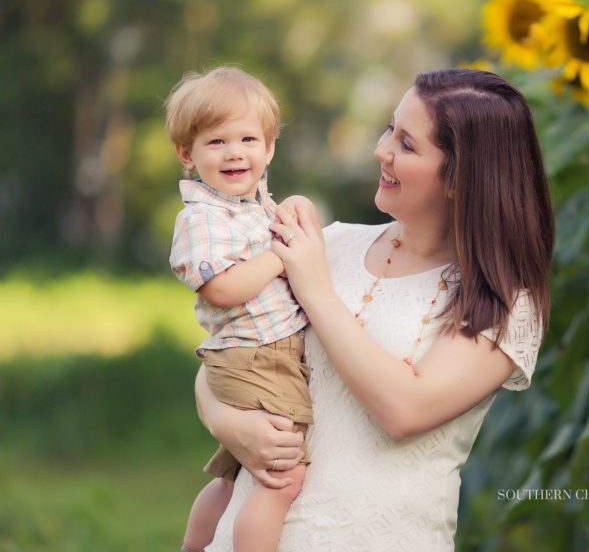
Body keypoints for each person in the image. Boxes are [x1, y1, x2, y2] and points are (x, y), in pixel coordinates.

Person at [198, 68, 554, 551]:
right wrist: (230, 425)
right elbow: (228, 354)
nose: (381, 150)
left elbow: (404, 409)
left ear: (460, 177)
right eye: (390, 128)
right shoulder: (331, 243)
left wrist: (315, 287)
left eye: (407, 144)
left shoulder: (503, 302)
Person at [166, 66, 313, 552]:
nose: (235, 152)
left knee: (231, 477)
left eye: (249, 138)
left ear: (269, 149)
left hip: (254, 355)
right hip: (259, 356)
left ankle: (193, 547)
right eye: (216, 142)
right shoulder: (202, 218)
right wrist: (281, 255)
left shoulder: (252, 206)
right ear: (187, 154)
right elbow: (222, 289)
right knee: (282, 480)